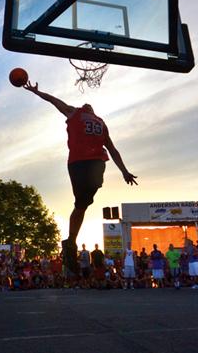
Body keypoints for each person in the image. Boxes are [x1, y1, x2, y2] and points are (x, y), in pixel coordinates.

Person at [24, 81, 138, 274]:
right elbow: (53, 100)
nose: (88, 105)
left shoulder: (90, 119)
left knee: (82, 203)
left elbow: (113, 148)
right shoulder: (84, 116)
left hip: (81, 163)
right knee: (82, 202)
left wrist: (125, 171)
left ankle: (70, 240)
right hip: (85, 163)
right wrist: (36, 92)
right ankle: (70, 240)